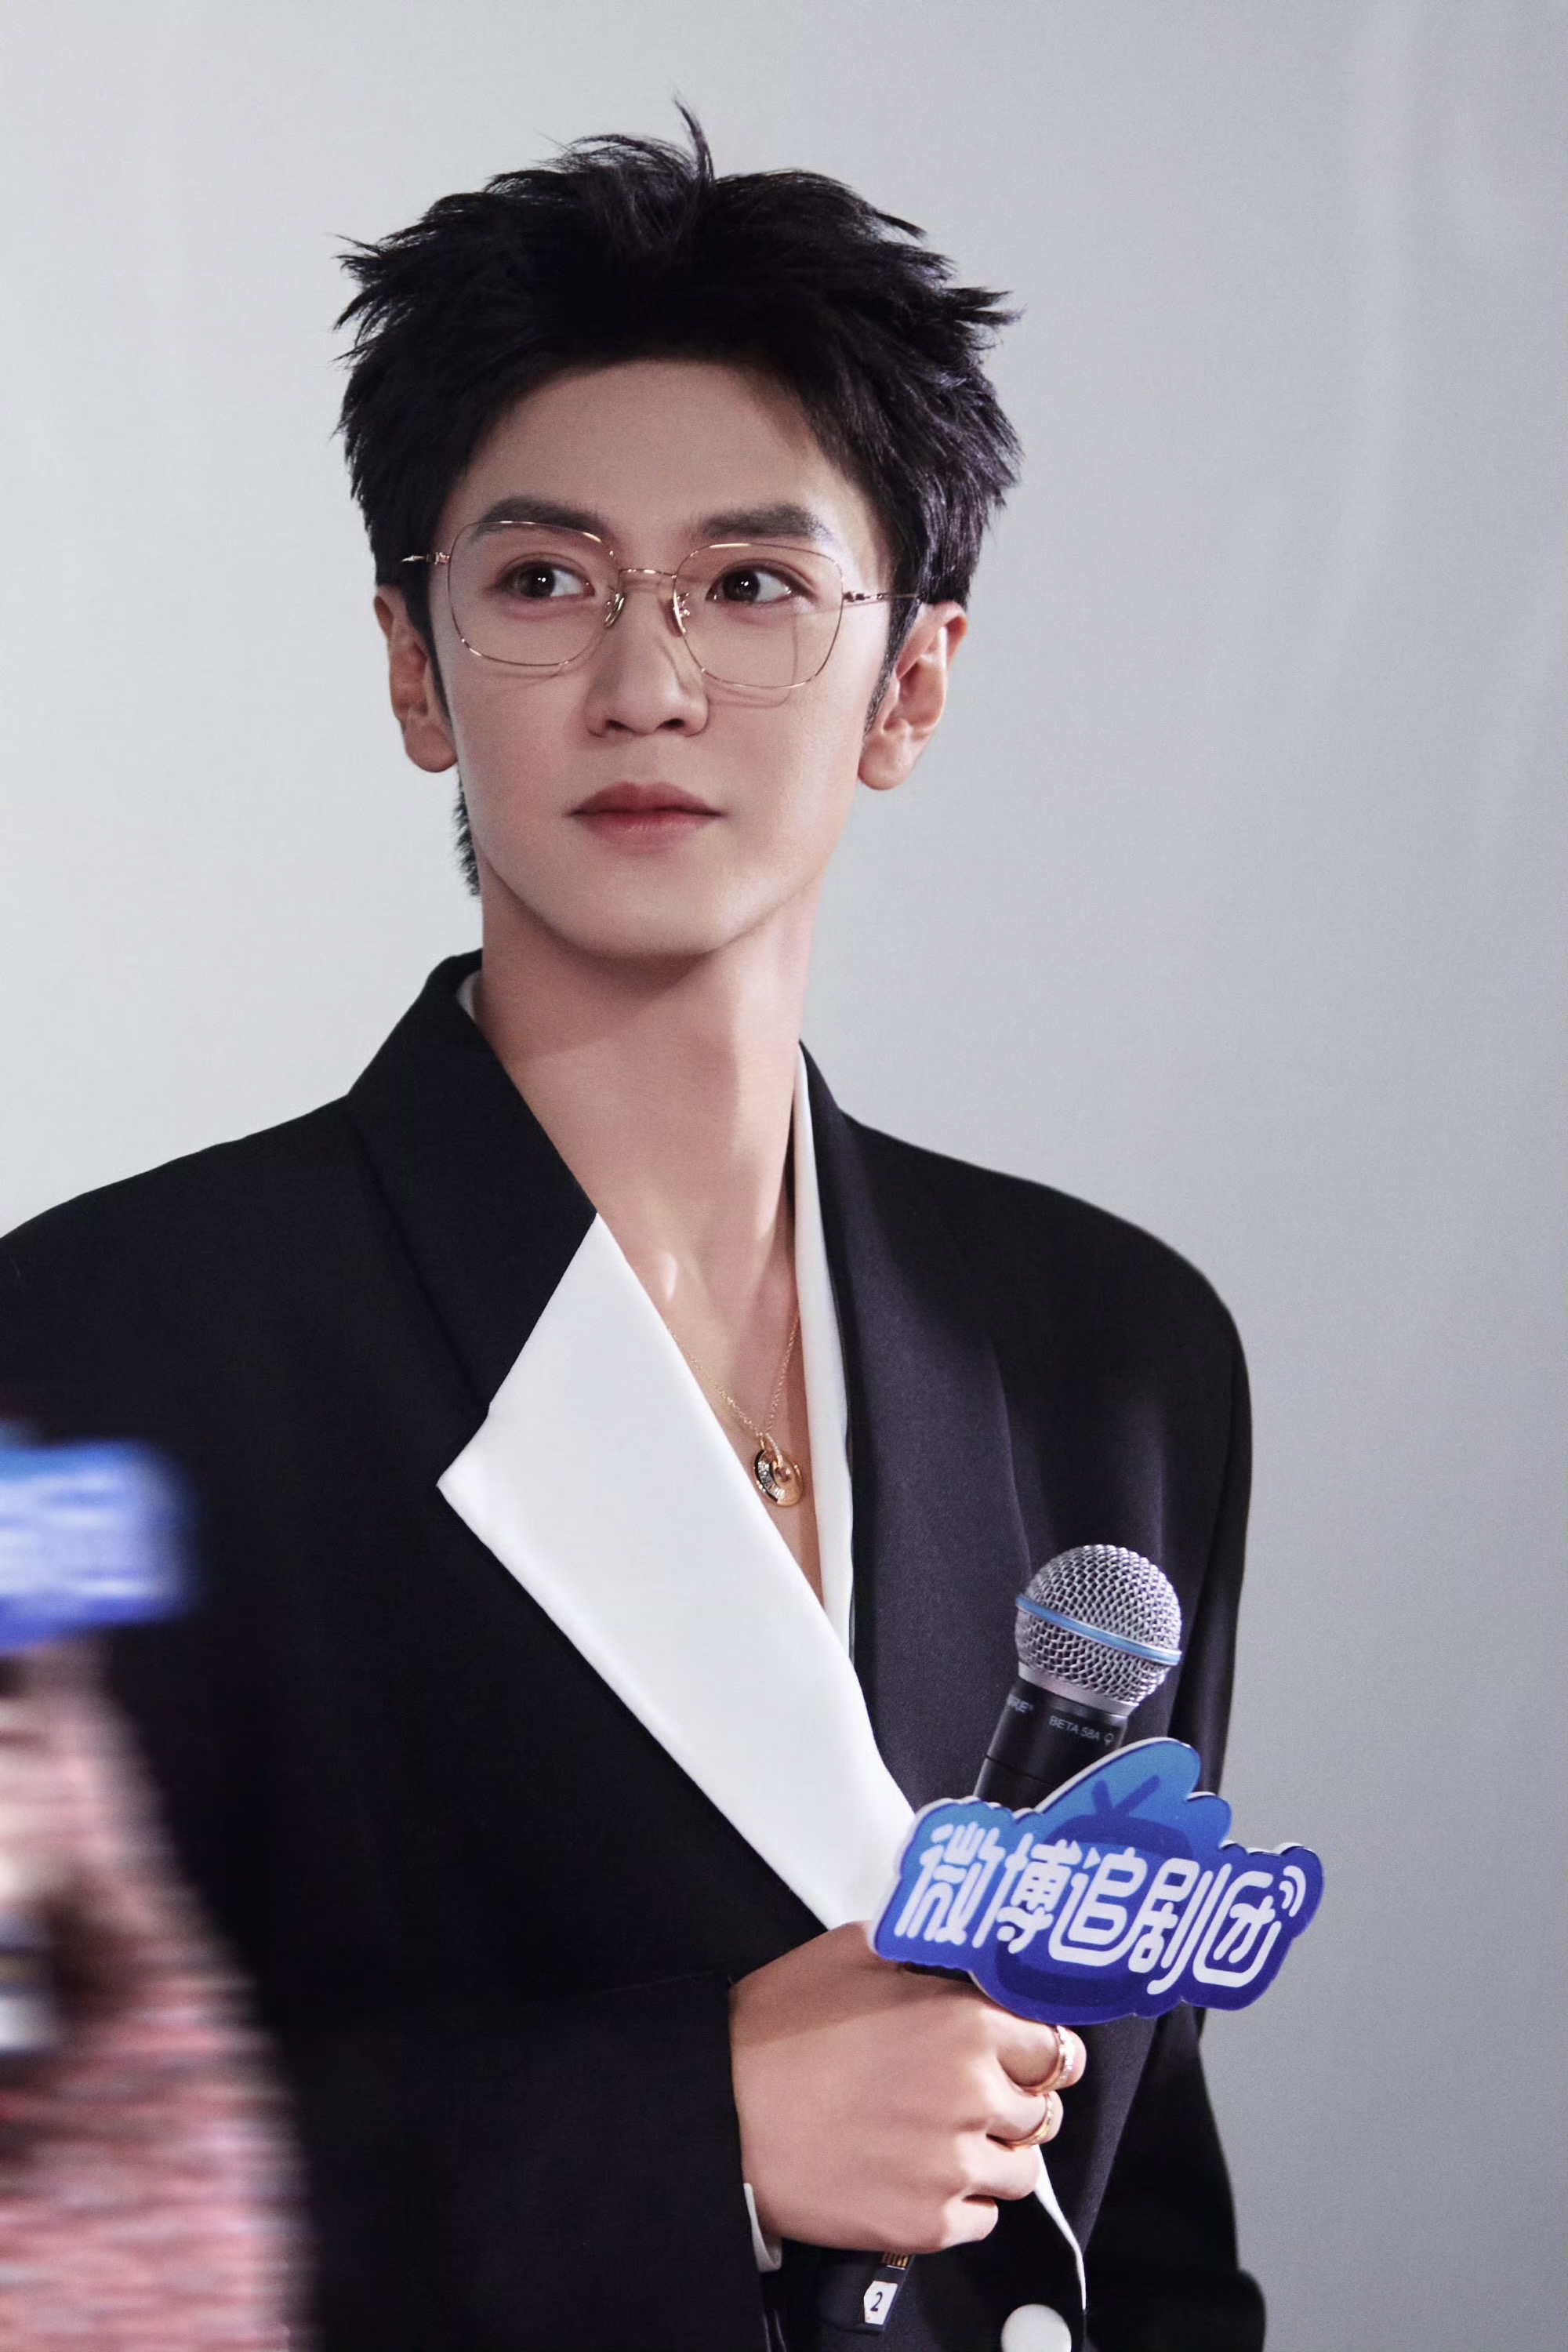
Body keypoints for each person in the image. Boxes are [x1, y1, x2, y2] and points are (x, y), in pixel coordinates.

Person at [0, 121, 1265, 2352]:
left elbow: (1140, 2213)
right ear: (417, 669)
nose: (647, 684)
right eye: (544, 580)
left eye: (754, 588)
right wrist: (686, 2130)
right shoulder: (102, 1342)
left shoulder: (1110, 1350)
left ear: (913, 682)